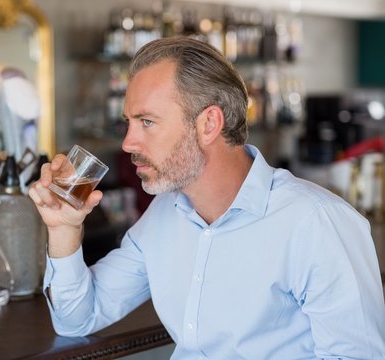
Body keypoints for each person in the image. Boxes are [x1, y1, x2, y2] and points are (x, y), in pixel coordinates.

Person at [28, 37, 385, 359]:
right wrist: (63, 230)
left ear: (209, 124)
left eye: (147, 122)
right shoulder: (165, 214)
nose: (128, 143)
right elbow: (78, 317)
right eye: (129, 122)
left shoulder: (318, 223)